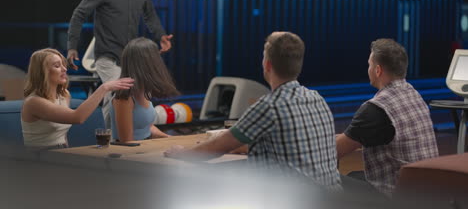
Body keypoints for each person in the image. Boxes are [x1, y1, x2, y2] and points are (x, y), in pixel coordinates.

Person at [165, 32, 341, 191]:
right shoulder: (316, 98)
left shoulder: (269, 106)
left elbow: (215, 149)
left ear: (267, 65)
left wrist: (181, 152)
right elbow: (289, 144)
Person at [67, 0, 173, 129]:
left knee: (133, 97)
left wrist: (161, 36)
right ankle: (112, 140)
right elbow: (79, 14)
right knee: (118, 94)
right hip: (107, 56)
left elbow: (150, 16)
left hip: (131, 57)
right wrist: (72, 45)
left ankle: (125, 135)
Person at [336, 38, 439, 196]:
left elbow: (333, 150)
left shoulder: (376, 109)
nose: (368, 68)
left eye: (369, 64)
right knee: (354, 176)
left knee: (325, 180)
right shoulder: (413, 94)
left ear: (377, 70)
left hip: (396, 196)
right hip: (426, 191)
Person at [21, 48, 133, 150]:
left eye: (63, 65)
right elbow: (77, 117)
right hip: (38, 158)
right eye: (57, 66)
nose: (64, 69)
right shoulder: (33, 102)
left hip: (61, 152)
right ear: (42, 72)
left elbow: (62, 136)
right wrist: (104, 88)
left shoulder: (64, 95)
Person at [111, 37, 179, 142]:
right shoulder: (124, 98)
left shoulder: (144, 90)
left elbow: (147, 128)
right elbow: (127, 143)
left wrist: (169, 139)